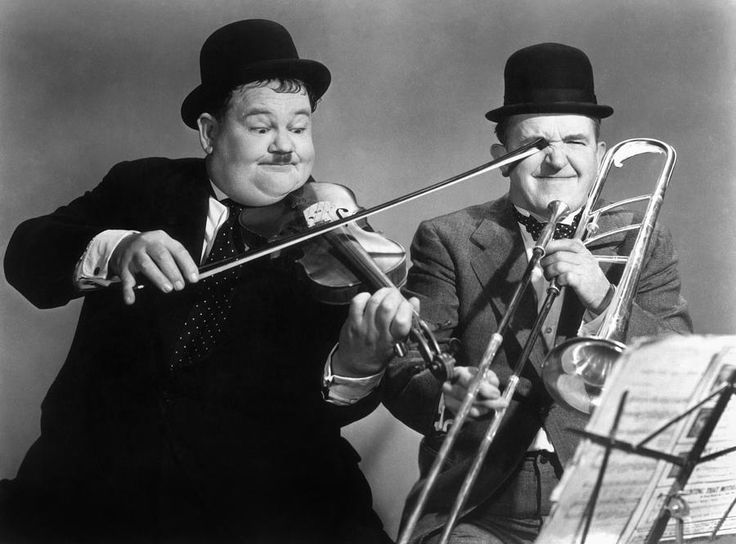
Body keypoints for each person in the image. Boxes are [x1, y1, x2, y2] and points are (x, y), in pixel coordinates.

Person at [1, 19, 415, 543]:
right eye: (261, 128)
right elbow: (28, 258)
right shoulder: (141, 185)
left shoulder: (335, 239)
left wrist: (356, 366)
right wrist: (118, 247)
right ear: (209, 131)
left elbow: (321, 416)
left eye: (300, 127)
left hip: (262, 498)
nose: (286, 147)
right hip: (99, 480)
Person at [382, 43, 693, 543]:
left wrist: (604, 297)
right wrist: (448, 392)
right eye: (536, 144)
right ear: (502, 160)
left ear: (600, 155)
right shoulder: (447, 237)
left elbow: (680, 372)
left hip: (606, 499)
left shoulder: (643, 238)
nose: (557, 159)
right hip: (479, 502)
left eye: (575, 141)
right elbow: (404, 370)